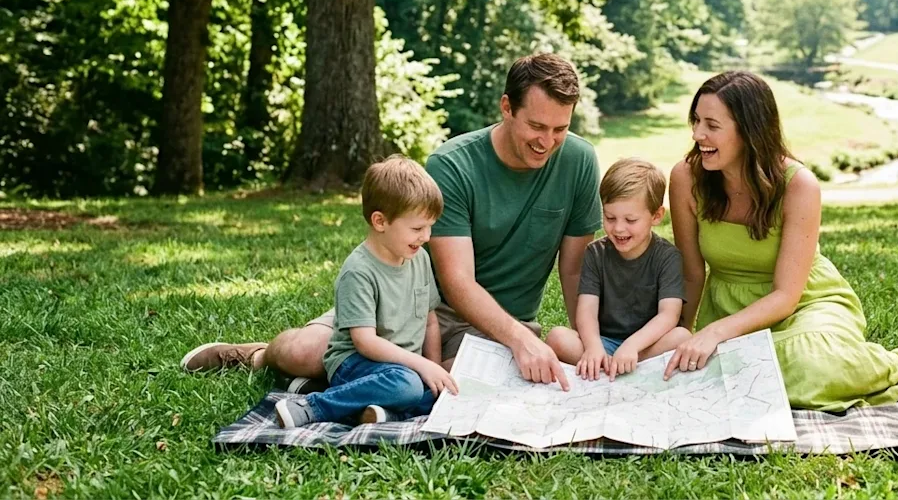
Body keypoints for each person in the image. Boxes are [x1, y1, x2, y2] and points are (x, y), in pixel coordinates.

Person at [181, 53, 602, 393]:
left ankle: (349, 382)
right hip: (415, 306)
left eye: (560, 129)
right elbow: (457, 281)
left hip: (499, 327)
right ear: (507, 108)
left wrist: (589, 343)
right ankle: (258, 355)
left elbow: (575, 269)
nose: (546, 142)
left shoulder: (579, 162)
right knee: (306, 351)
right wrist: (521, 339)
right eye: (536, 126)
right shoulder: (454, 164)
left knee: (466, 383)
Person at [662, 71, 898, 411]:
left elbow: (786, 296)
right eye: (696, 121)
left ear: (749, 130)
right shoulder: (686, 178)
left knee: (809, 364)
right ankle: (860, 386)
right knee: (728, 376)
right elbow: (691, 273)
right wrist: (682, 336)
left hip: (807, 306)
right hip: (729, 311)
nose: (697, 134)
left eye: (711, 125)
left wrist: (717, 333)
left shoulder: (799, 185)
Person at [275, 156, 457, 428]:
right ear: (380, 222)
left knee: (447, 388)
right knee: (406, 385)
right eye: (418, 228)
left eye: (430, 226)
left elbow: (430, 320)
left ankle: (380, 413)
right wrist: (421, 368)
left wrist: (434, 368)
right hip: (356, 363)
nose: (427, 237)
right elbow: (365, 342)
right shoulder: (359, 271)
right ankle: (313, 405)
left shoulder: (419, 258)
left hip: (402, 368)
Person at [545, 158, 691, 380]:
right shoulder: (595, 253)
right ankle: (611, 366)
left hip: (645, 347)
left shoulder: (667, 257)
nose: (618, 228)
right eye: (610, 217)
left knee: (681, 337)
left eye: (630, 220)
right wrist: (594, 348)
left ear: (656, 216)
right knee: (557, 337)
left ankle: (618, 367)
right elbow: (586, 312)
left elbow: (668, 316)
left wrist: (632, 347)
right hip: (604, 343)